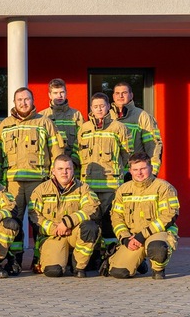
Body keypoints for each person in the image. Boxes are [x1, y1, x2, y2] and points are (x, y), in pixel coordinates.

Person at [0, 87, 64, 274]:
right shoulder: (4, 125)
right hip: (13, 183)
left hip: (39, 182)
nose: (23, 103)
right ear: (14, 102)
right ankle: (15, 261)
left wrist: (56, 177)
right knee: (14, 222)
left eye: (27, 99)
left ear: (33, 101)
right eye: (19, 99)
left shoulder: (45, 122)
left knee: (39, 222)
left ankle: (40, 258)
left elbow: (57, 151)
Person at [105, 152, 179, 280]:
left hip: (157, 233)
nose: (139, 173)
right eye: (135, 169)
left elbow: (168, 216)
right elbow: (117, 218)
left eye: (143, 168)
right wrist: (125, 239)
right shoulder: (123, 190)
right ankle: (139, 263)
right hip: (133, 237)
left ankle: (158, 269)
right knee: (119, 272)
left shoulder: (164, 188)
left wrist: (142, 236)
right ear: (130, 171)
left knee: (158, 249)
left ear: (150, 168)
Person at [28, 155, 100, 278]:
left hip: (73, 233)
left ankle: (78, 267)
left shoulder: (83, 188)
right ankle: (58, 261)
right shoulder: (40, 190)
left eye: (68, 169)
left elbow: (93, 208)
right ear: (53, 171)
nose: (64, 172)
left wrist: (68, 222)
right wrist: (54, 228)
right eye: (60, 169)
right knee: (53, 271)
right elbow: (34, 216)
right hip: (52, 236)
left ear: (73, 170)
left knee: (90, 227)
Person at [76, 93, 130, 249]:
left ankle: (110, 253)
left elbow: (127, 154)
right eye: (95, 106)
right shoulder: (84, 129)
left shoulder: (119, 128)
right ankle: (93, 254)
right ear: (91, 108)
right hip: (88, 185)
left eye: (102, 105)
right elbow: (76, 154)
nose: (99, 109)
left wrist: (120, 175)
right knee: (91, 219)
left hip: (111, 185)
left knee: (108, 220)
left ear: (108, 106)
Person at [110, 82, 163, 176]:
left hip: (135, 174)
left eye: (124, 93)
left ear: (131, 95)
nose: (120, 96)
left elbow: (153, 146)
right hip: (111, 174)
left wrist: (153, 172)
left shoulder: (143, 116)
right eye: (117, 93)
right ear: (113, 96)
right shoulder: (107, 116)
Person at [39, 78, 84, 163]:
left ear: (66, 93)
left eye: (62, 92)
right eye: (55, 93)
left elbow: (81, 139)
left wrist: (74, 160)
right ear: (50, 95)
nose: (59, 96)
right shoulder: (42, 116)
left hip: (72, 164)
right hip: (51, 164)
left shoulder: (76, 115)